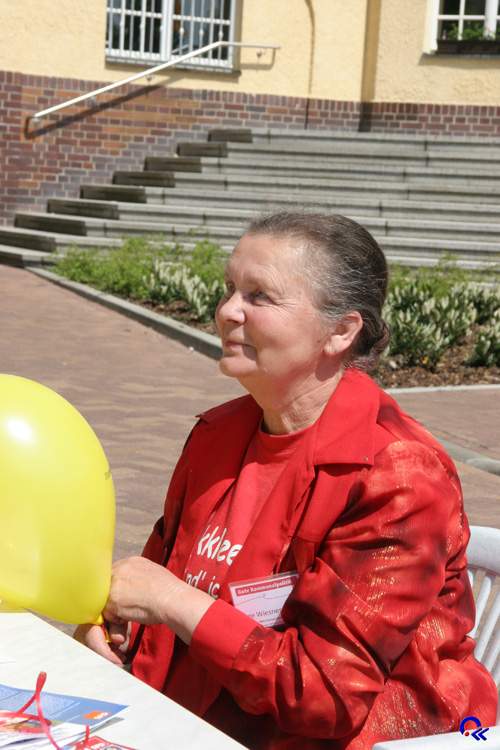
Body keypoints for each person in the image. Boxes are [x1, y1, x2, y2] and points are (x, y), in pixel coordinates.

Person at [75, 213, 498, 750]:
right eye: (230, 288)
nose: (227, 311)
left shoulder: (399, 475)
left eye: (260, 296)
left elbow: (326, 694)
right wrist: (113, 631)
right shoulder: (216, 435)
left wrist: (170, 601)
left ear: (341, 331)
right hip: (189, 721)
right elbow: (159, 592)